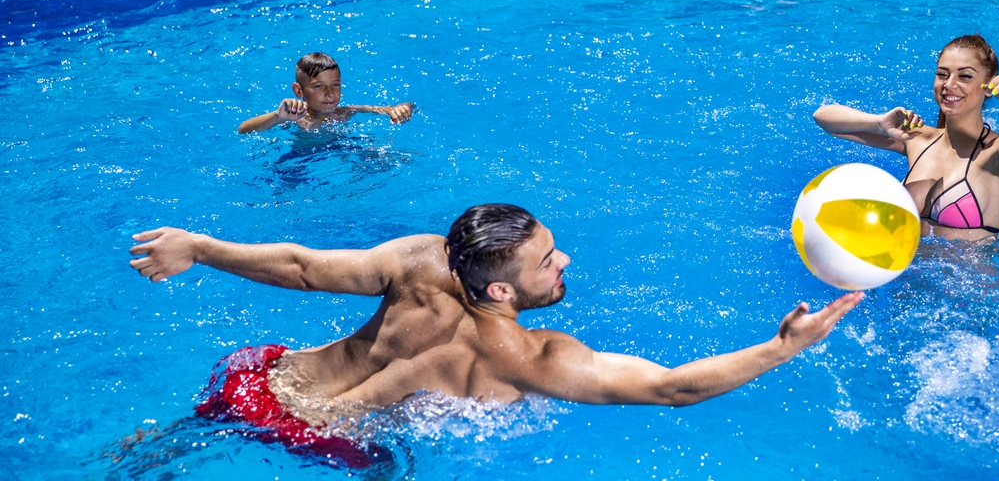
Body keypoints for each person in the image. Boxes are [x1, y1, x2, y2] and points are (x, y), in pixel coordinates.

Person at [129, 204, 862, 461]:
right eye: (549, 260)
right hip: (325, 440)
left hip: (265, 383)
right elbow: (672, 389)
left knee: (160, 451)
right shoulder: (527, 357)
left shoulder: (423, 259)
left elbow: (301, 268)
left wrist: (201, 247)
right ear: (501, 290)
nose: (565, 261)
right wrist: (783, 347)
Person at [813, 34, 999, 241]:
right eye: (942, 74)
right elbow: (825, 119)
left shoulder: (996, 153)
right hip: (904, 268)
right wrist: (879, 124)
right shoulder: (917, 138)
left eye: (965, 76)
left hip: (973, 273)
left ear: (989, 87)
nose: (949, 84)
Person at [237, 52, 416, 134]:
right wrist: (278, 116)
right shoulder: (295, 118)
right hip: (301, 159)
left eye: (335, 85)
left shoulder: (345, 112)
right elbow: (244, 129)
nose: (330, 93)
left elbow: (390, 108)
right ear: (298, 90)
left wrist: (401, 108)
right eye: (319, 86)